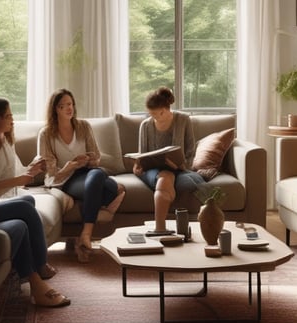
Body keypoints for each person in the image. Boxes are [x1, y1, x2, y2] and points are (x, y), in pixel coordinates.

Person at [0, 97, 70, 308]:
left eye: (11, 115)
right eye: (7, 116)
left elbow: (18, 172)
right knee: (24, 206)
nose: (12, 120)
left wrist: (33, 168)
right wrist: (19, 180)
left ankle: (34, 278)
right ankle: (40, 265)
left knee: (27, 203)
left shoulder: (4, 141)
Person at [38, 89, 125, 262]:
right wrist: (69, 167)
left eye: (70, 104)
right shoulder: (46, 134)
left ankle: (85, 234)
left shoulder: (83, 126)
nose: (69, 108)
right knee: (112, 189)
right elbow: (50, 172)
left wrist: (90, 159)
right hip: (66, 179)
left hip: (88, 172)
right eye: (63, 106)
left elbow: (96, 156)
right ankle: (93, 224)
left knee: (97, 175)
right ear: (56, 109)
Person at [133, 86, 205, 234]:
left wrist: (180, 165)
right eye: (150, 113)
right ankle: (160, 228)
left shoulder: (183, 120)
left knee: (171, 176)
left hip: (178, 169)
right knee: (165, 177)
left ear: (165, 110)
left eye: (154, 113)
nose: (151, 116)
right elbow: (142, 155)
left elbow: (191, 151)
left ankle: (160, 229)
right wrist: (137, 165)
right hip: (153, 170)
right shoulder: (145, 125)